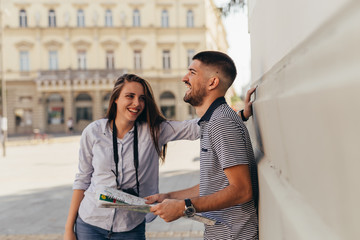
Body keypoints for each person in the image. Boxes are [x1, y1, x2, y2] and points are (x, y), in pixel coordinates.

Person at [64, 74, 201, 240]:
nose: (137, 103)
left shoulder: (154, 131)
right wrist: (69, 228)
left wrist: (240, 114)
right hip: (90, 223)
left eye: (142, 98)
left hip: (130, 227)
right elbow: (82, 179)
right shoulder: (93, 132)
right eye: (130, 96)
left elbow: (195, 127)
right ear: (115, 99)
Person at [145, 51, 259, 240]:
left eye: (192, 72)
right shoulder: (212, 121)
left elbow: (242, 190)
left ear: (212, 82)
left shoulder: (221, 122)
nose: (184, 78)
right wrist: (169, 197)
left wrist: (184, 206)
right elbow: (213, 185)